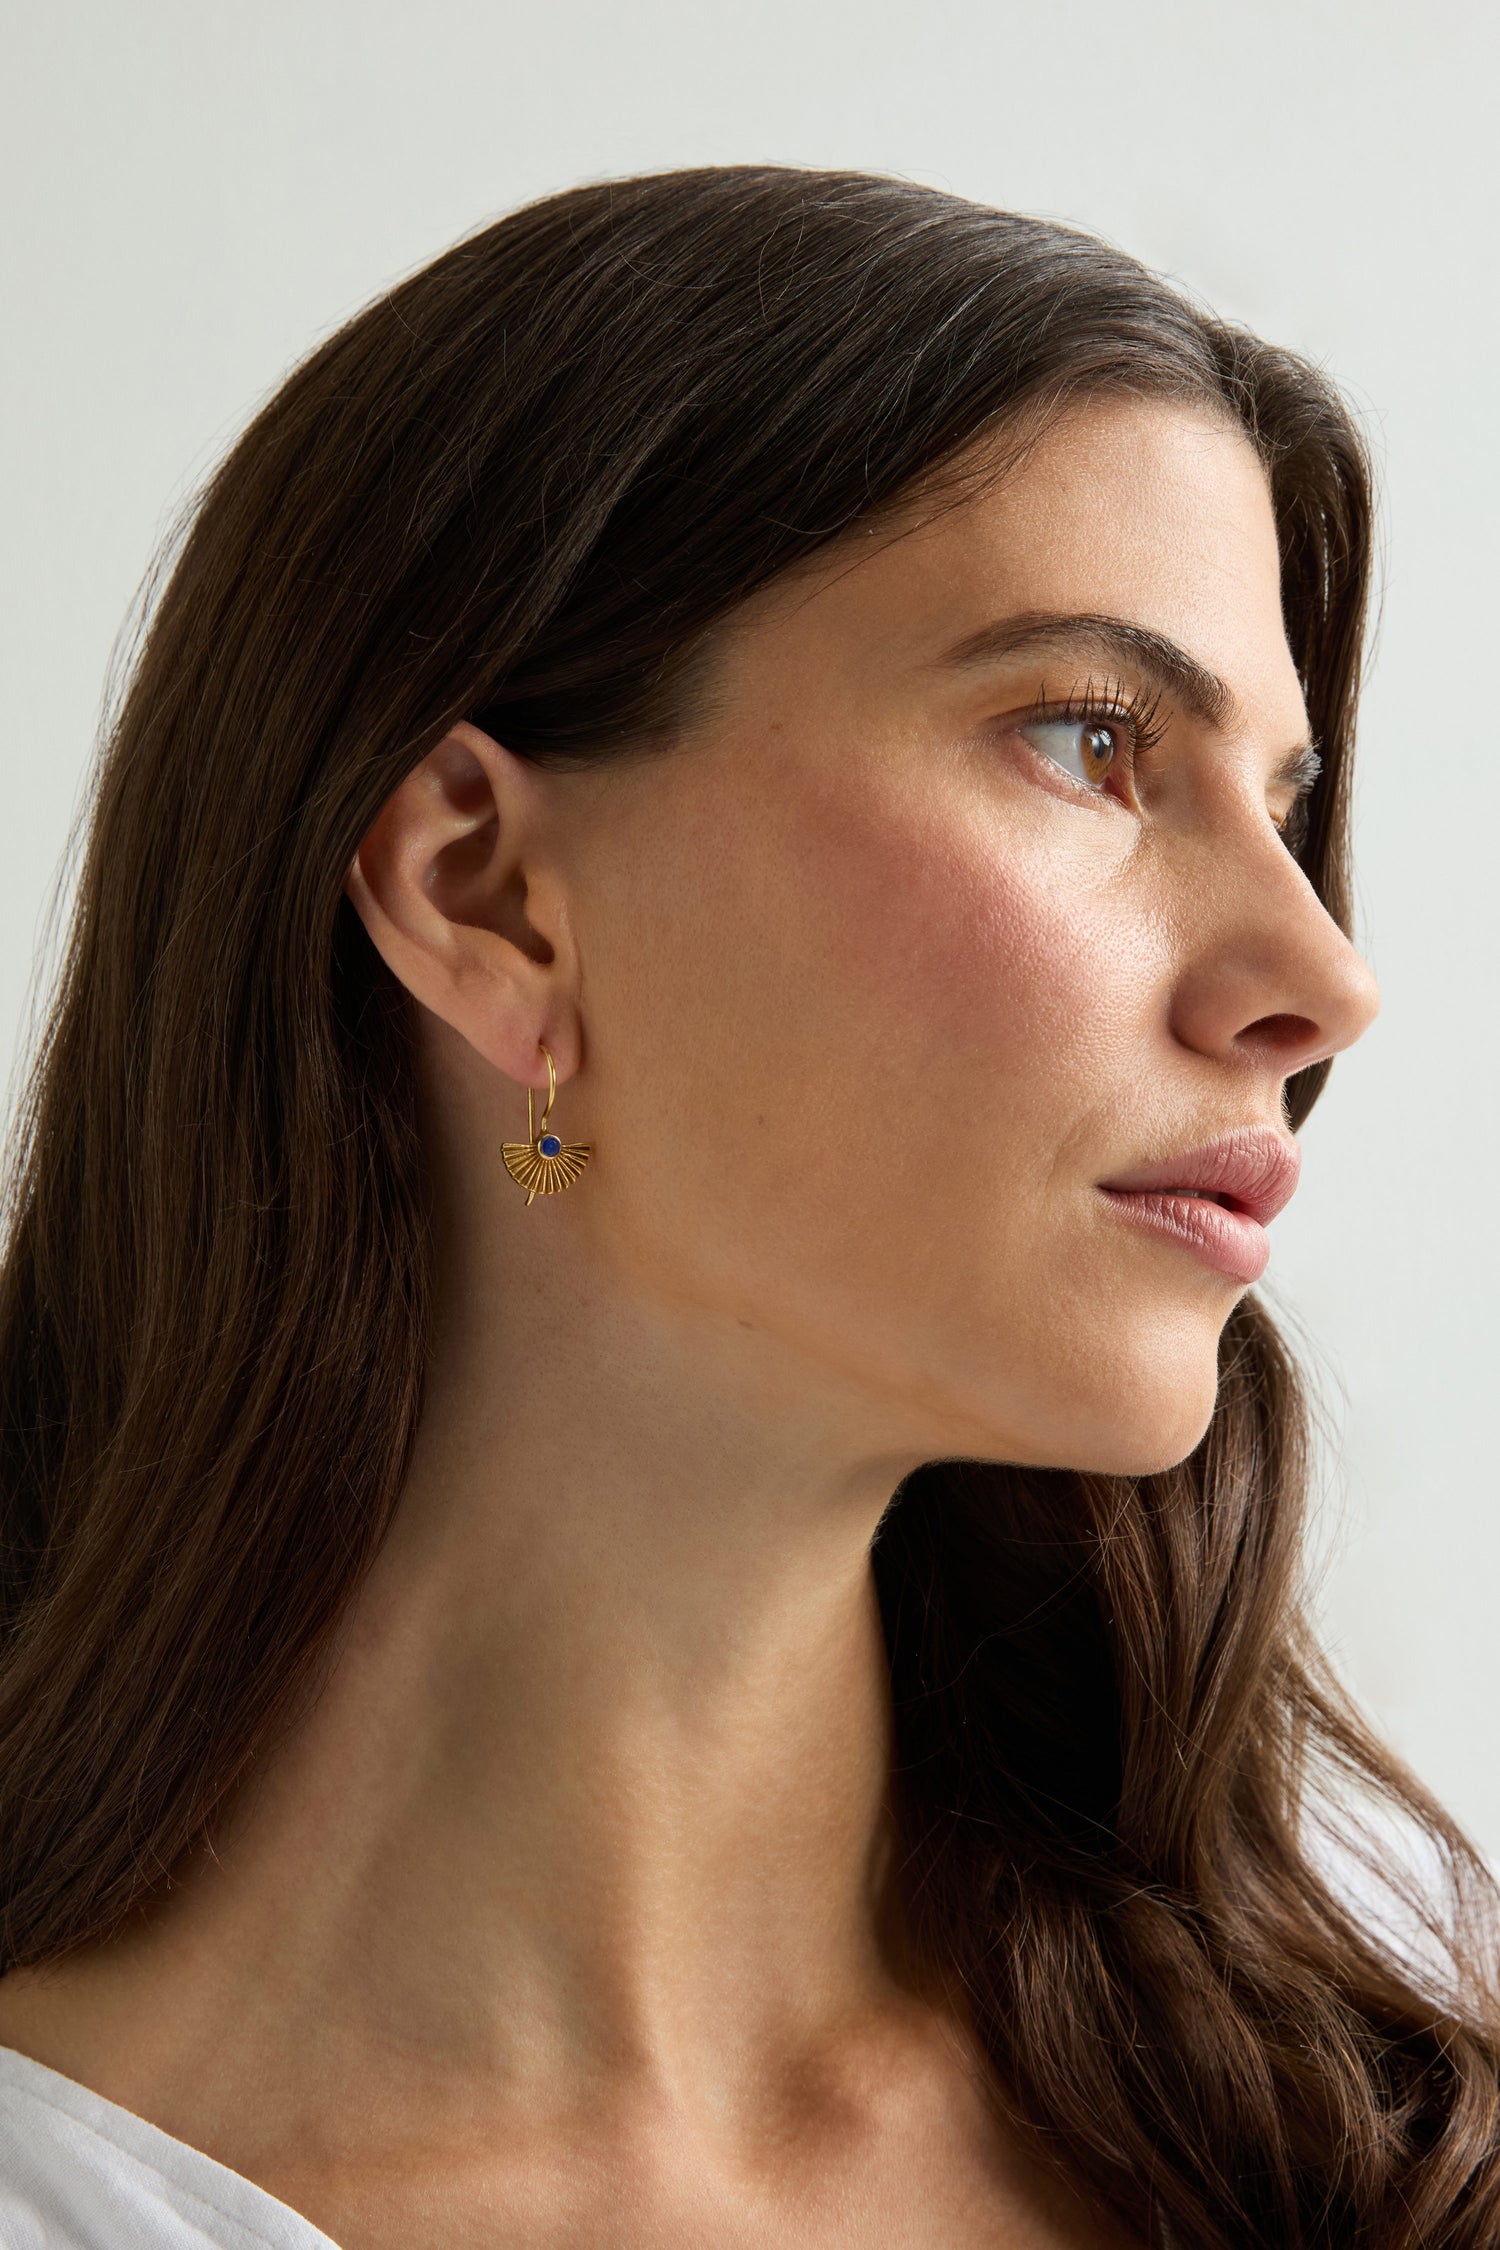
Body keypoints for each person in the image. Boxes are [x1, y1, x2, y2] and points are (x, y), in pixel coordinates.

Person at [0, 166, 1493, 2250]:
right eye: (1090, 739)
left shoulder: (1397, 2094)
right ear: (489, 896)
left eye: (1285, 802)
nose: (1320, 978)